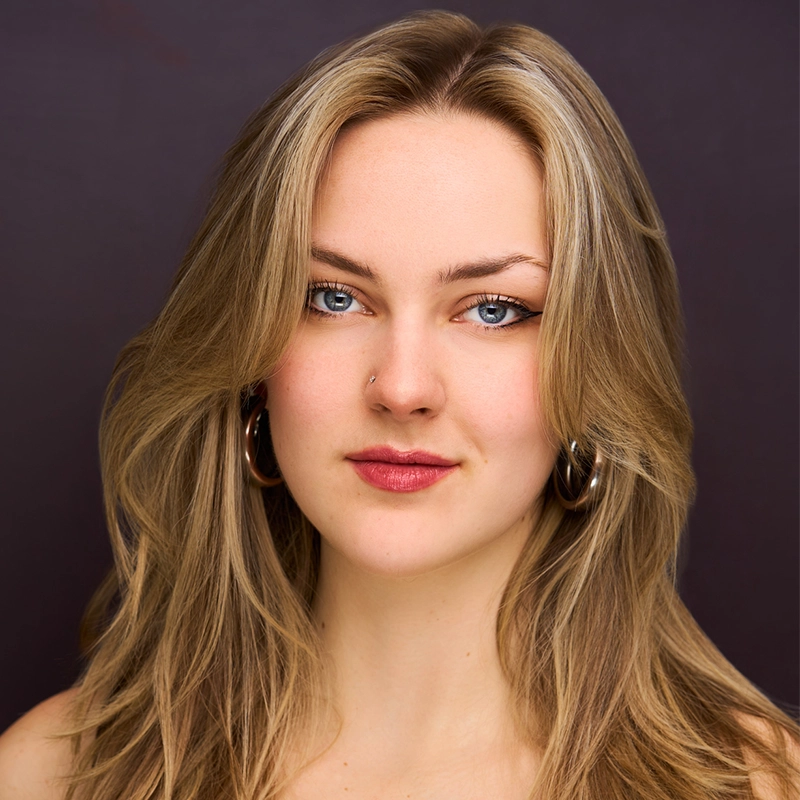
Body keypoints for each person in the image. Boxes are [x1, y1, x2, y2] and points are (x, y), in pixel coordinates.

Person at [0, 10, 797, 800]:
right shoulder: (51, 776)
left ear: (597, 368)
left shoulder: (758, 785)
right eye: (335, 298)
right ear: (248, 354)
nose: (404, 388)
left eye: (493, 309)